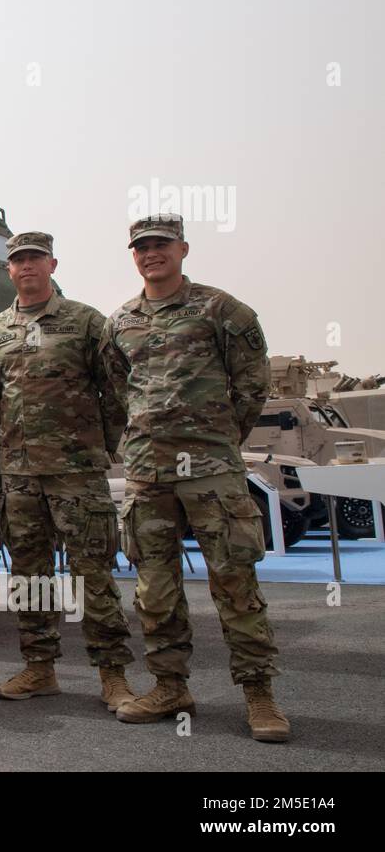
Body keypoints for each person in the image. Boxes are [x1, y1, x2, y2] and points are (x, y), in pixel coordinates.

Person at [101, 214, 290, 743]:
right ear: (132, 255)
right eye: (141, 247)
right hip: (146, 474)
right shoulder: (120, 322)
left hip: (211, 470)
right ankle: (169, 685)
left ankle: (259, 694)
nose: (150, 254)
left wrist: (214, 437)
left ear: (183, 248)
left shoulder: (222, 309)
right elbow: (121, 390)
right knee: (154, 590)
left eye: (160, 245)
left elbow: (251, 385)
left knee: (234, 582)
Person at [0, 231, 136, 710]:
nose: (27, 266)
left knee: (93, 573)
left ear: (52, 264)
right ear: (9, 269)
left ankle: (113, 675)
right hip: (21, 476)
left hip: (76, 473)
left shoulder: (86, 322)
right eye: (18, 260)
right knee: (30, 575)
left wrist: (98, 446)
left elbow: (117, 391)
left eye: (35, 258)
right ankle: (39, 667)